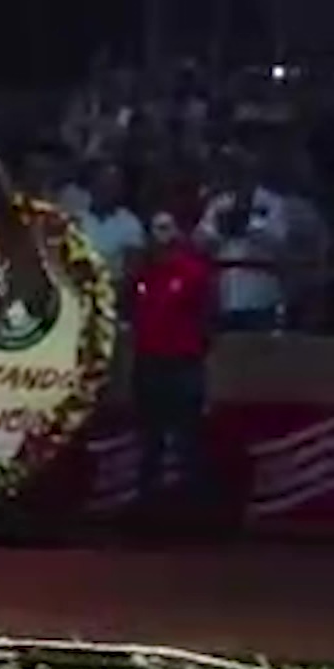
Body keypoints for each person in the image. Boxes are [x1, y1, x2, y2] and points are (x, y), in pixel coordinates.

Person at [128, 211, 216, 514]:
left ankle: (194, 511)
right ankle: (146, 509)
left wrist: (197, 349)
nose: (161, 235)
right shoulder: (145, 275)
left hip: (183, 364)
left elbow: (207, 316)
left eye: (167, 227)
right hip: (149, 363)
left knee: (187, 439)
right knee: (150, 440)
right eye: (156, 229)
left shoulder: (194, 272)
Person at [195, 146, 291, 332]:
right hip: (224, 297)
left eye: (243, 170)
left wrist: (248, 224)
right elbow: (200, 242)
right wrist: (221, 230)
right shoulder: (220, 203)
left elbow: (280, 242)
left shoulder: (272, 203)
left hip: (260, 297)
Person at [68, 158, 146, 285]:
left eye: (113, 186)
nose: (107, 191)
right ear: (92, 187)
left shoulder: (130, 223)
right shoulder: (75, 219)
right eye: (102, 185)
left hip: (113, 290)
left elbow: (132, 272)